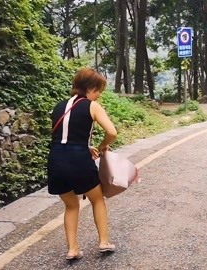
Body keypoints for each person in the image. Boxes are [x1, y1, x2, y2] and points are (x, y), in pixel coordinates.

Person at [47, 68, 117, 260]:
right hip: (79, 161)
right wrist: (103, 146)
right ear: (91, 87)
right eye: (99, 90)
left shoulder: (59, 106)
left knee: (71, 206)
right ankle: (103, 242)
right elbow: (112, 132)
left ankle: (72, 249)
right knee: (97, 199)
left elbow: (64, 137)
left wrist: (85, 146)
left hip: (56, 161)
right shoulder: (91, 105)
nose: (99, 94)